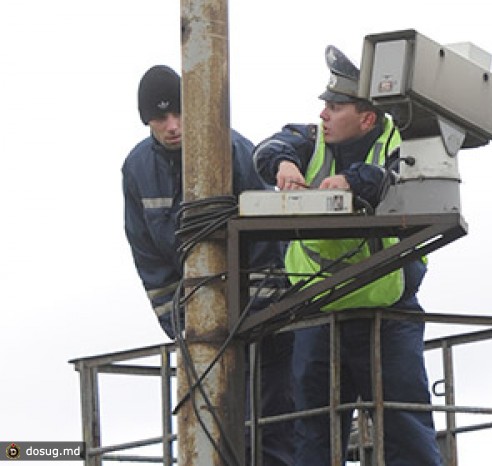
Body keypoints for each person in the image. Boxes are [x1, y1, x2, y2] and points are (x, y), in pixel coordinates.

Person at [253, 46, 444, 466]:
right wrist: (283, 164)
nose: (324, 115)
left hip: (385, 314)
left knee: (405, 428)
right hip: (319, 316)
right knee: (315, 436)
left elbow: (387, 177)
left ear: (367, 118)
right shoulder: (310, 139)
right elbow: (267, 149)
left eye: (335, 107)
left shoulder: (402, 143)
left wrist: (352, 182)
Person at [122, 65, 294, 466]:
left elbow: (268, 234)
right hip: (199, 328)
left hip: (261, 322)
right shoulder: (137, 169)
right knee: (216, 430)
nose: (173, 126)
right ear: (146, 120)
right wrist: (180, 322)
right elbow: (146, 252)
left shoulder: (234, 150)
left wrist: (259, 312)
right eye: (161, 118)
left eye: (179, 114)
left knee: (269, 427)